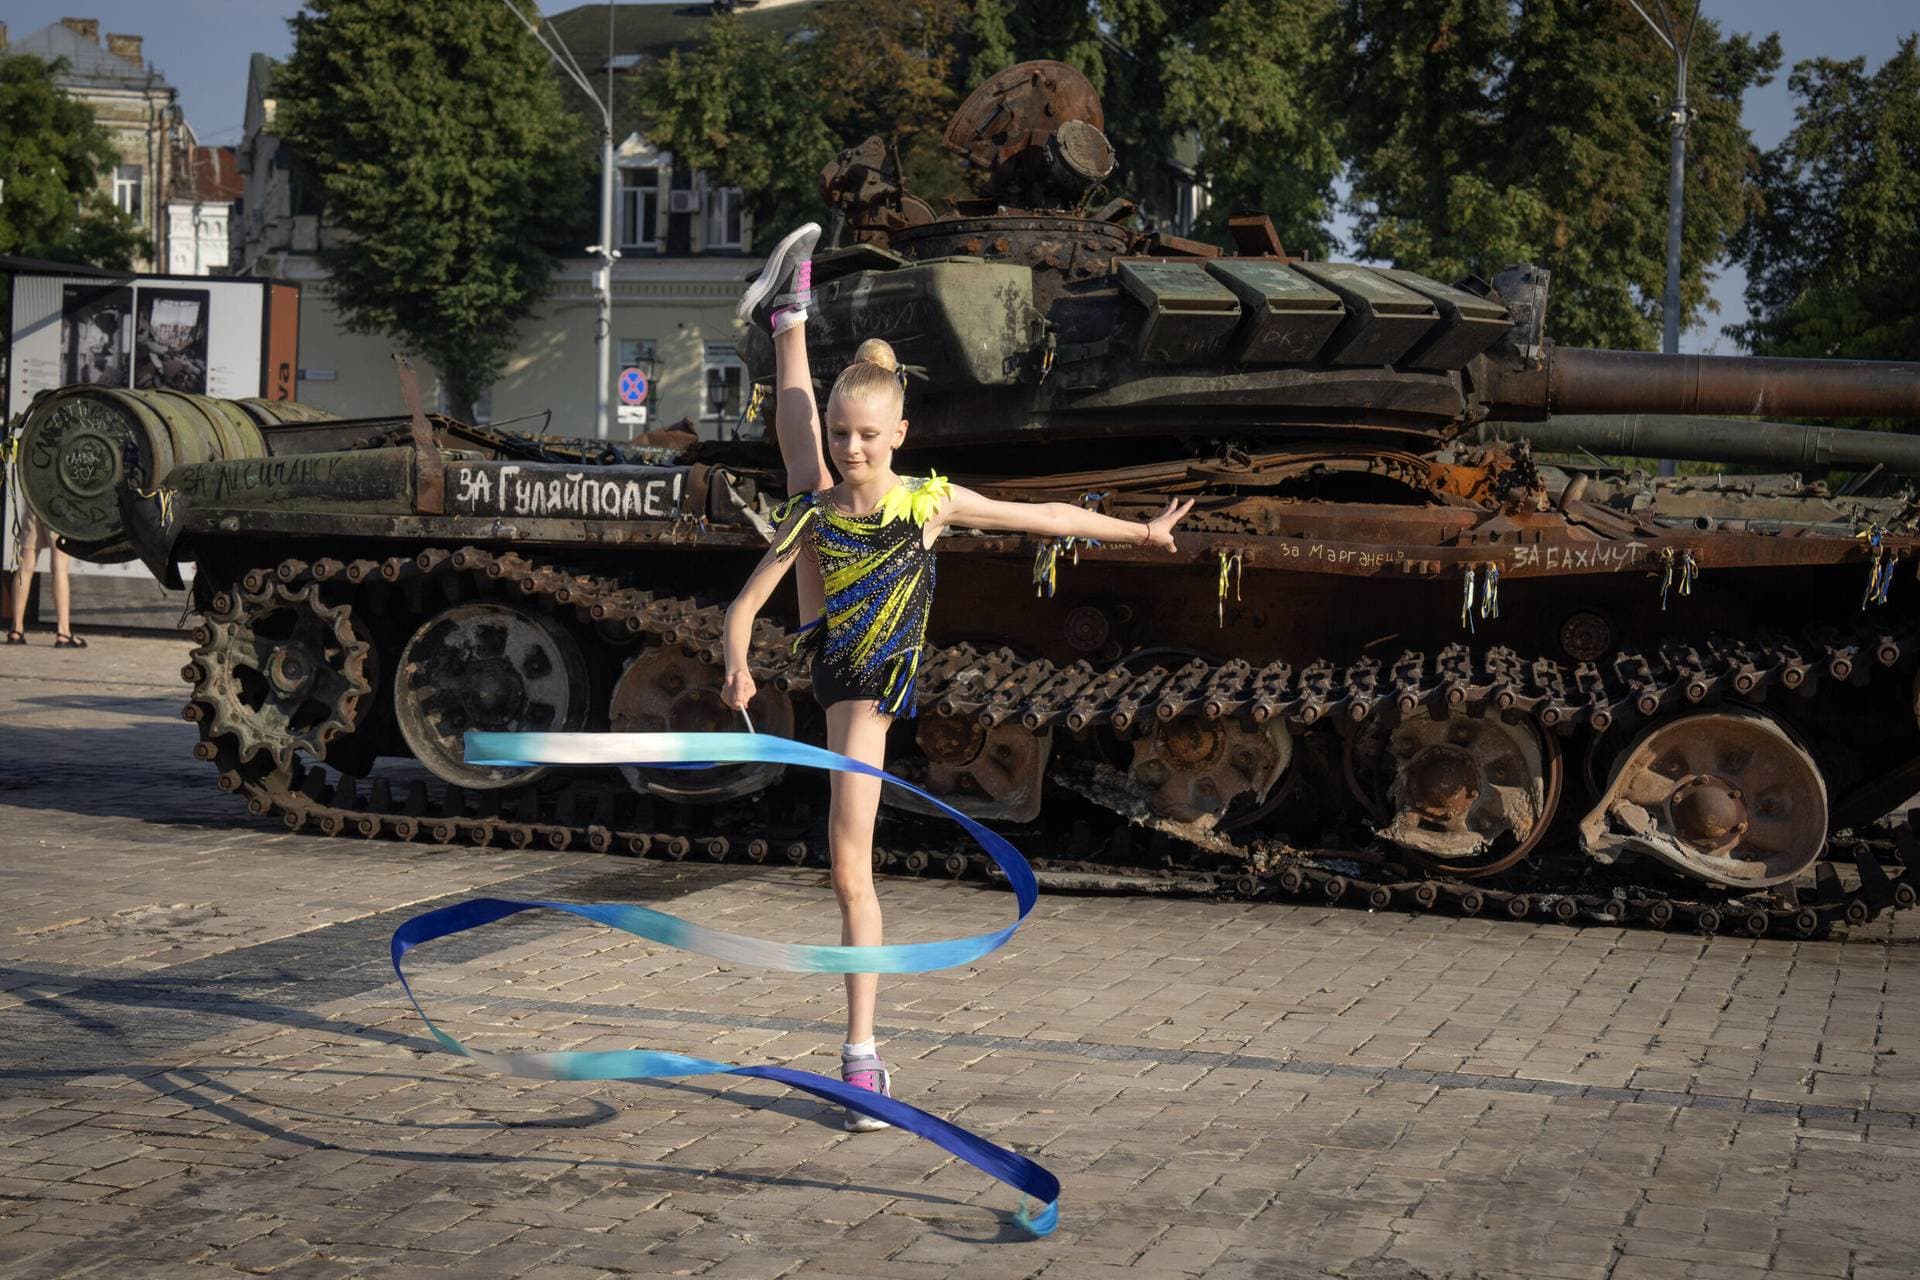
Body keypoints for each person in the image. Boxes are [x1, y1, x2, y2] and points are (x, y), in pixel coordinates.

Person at [723, 233, 1193, 1130]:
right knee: (803, 484)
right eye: (842, 434)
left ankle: (861, 1056)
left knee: (849, 868)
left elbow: (1039, 516)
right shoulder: (820, 510)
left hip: (870, 683)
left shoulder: (927, 501)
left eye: (866, 436)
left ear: (901, 434)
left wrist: (1139, 535)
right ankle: (862, 1057)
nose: (853, 449)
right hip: (834, 653)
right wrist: (740, 666)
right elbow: (744, 608)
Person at [6, 511, 83, 648]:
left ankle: (16, 630)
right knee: (59, 568)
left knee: (24, 568)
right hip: (58, 505)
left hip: (34, 503)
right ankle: (63, 632)